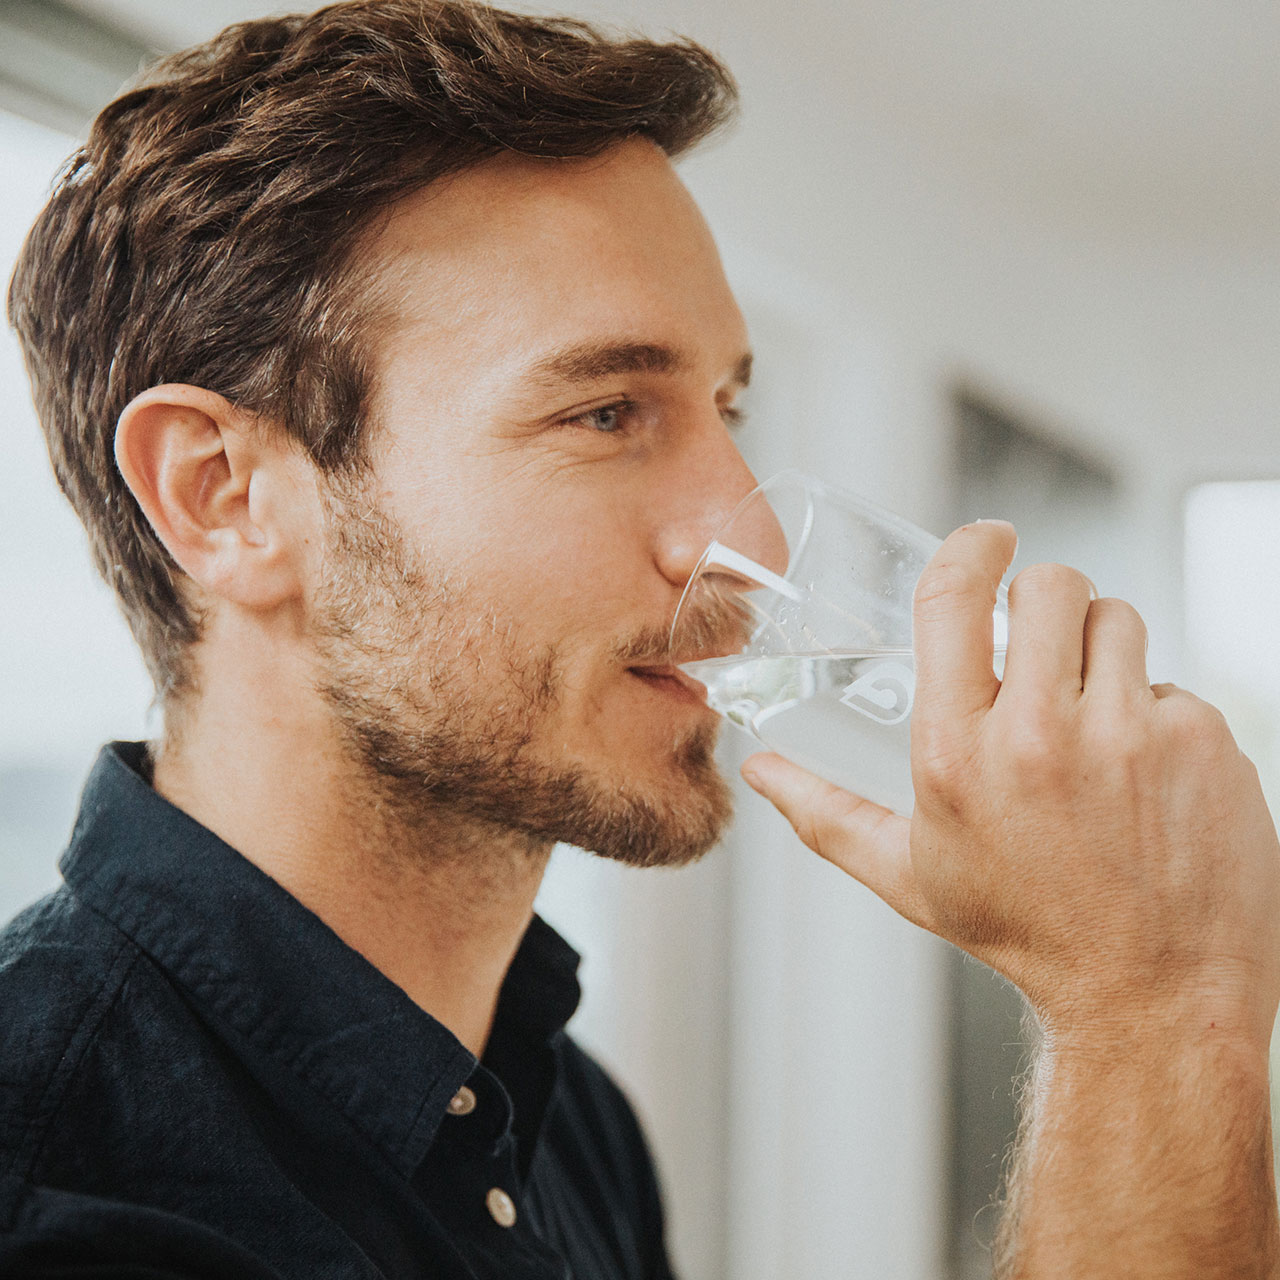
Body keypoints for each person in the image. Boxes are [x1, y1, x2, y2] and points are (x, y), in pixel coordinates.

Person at [2, 0, 1277, 1275]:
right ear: (221, 495)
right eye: (606, 412)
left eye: (725, 405)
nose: (753, 550)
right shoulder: (57, 1188)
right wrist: (1147, 1014)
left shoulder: (572, 1128)